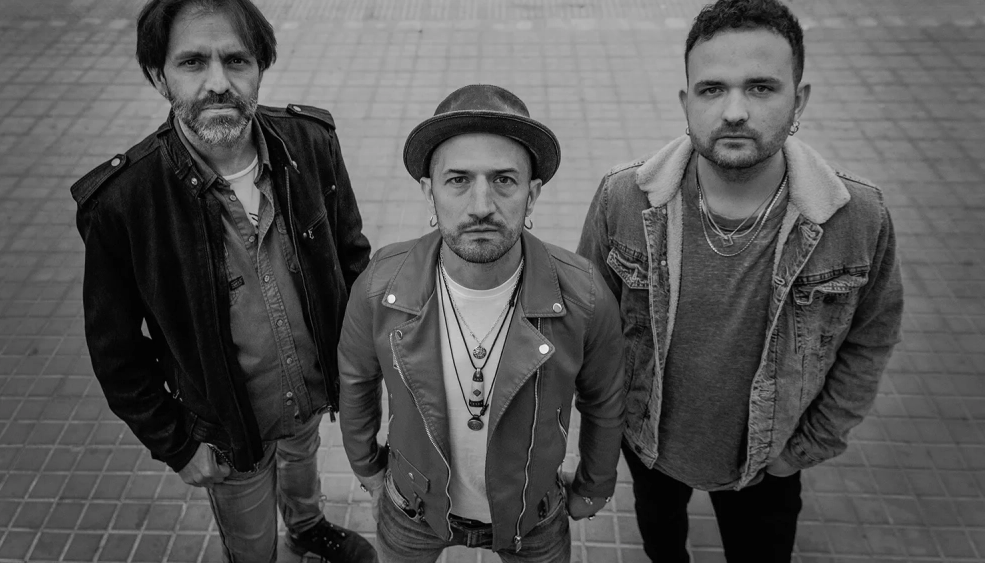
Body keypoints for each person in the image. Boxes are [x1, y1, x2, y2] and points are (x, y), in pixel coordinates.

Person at [577, 0, 904, 561]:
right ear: (686, 102)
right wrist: (610, 427)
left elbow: (871, 339)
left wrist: (803, 449)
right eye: (712, 89)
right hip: (646, 445)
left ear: (799, 99)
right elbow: (588, 325)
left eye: (760, 88)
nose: (733, 111)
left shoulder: (857, 218)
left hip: (768, 463)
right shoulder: (623, 200)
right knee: (661, 541)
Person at [69, 1, 375, 561]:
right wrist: (176, 444)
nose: (218, 82)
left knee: (302, 462)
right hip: (229, 431)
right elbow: (115, 352)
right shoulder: (124, 203)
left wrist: (358, 370)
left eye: (236, 60)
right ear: (159, 76)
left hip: (309, 394)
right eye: (192, 62)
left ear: (261, 67)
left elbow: (351, 258)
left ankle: (307, 526)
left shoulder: (311, 144)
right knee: (251, 545)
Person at [338, 84, 626, 562]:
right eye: (457, 180)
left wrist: (596, 485)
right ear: (429, 192)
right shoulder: (379, 288)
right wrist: (367, 466)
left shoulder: (584, 296)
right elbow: (355, 379)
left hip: (534, 517)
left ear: (532, 195)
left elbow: (605, 400)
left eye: (504, 180)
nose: (480, 206)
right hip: (411, 509)